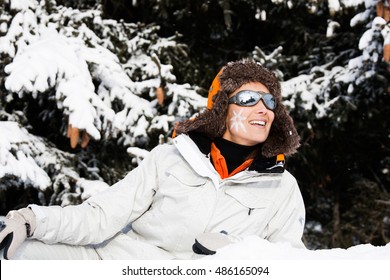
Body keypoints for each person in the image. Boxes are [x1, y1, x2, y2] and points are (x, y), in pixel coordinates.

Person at [0, 58, 305, 260]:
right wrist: (32, 221)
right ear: (221, 108)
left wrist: (240, 253)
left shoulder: (281, 187)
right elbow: (101, 217)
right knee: (16, 253)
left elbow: (290, 262)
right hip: (123, 265)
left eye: (269, 102)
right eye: (248, 100)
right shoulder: (172, 158)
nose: (263, 109)